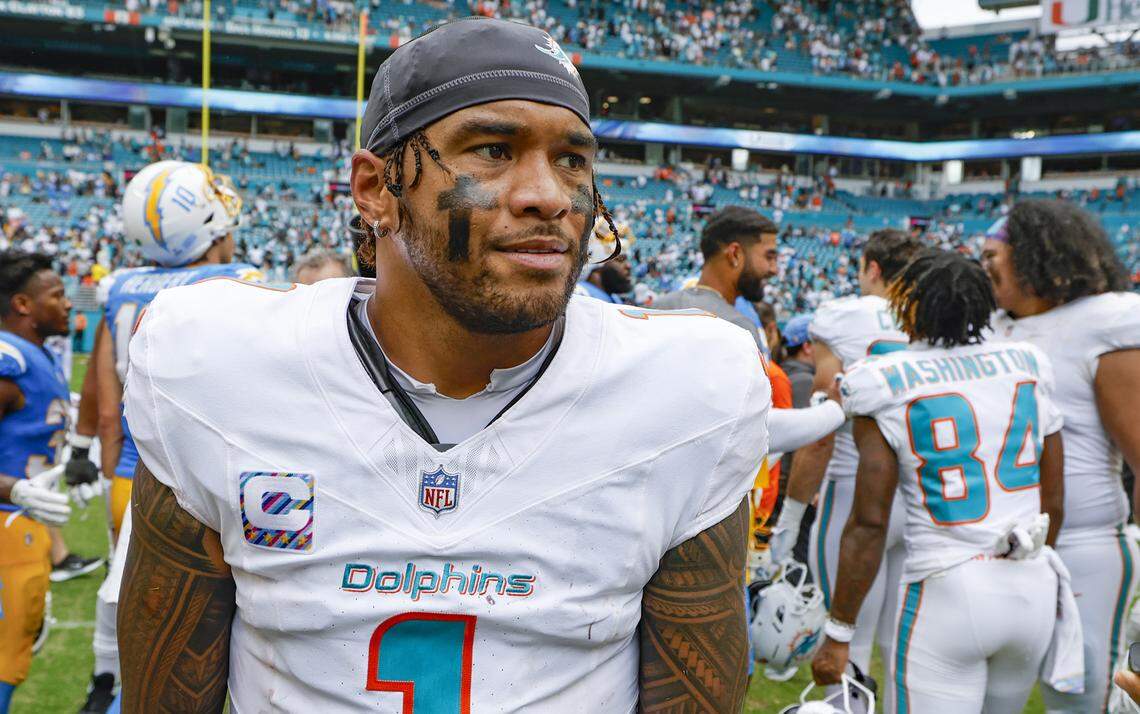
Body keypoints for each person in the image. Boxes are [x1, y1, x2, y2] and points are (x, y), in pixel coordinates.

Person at [116, 18, 770, 712]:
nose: (548, 194)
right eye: (493, 150)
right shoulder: (221, 367)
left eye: (573, 160)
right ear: (375, 189)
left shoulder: (685, 390)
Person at [812, 249, 1068, 713]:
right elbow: (1054, 498)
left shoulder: (882, 379)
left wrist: (839, 632)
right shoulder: (1028, 361)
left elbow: (870, 522)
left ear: (910, 305)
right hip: (1031, 583)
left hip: (947, 588)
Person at [79, 160, 261, 713]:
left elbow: (107, 405)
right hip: (202, 484)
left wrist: (96, 458)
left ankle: (104, 679)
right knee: (191, 633)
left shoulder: (119, 288)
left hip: (132, 473)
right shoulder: (237, 284)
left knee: (133, 605)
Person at [983, 199, 1140, 711]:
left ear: (1035, 258)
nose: (985, 268)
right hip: (998, 545)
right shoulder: (998, 326)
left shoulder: (1107, 320)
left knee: (1079, 695)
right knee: (990, 694)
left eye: (994, 257)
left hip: (1083, 544)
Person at [771, 228, 923, 683]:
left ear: (873, 268)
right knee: (904, 648)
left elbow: (823, 429)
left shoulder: (841, 317)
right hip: (919, 497)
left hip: (853, 493)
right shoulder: (929, 313)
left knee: (845, 643)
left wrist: (792, 515)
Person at [0, 250, 74, 714]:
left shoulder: (36, 356)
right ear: (24, 305)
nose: (67, 304)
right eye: (57, 295)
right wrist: (13, 489)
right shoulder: (11, 359)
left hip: (24, 527)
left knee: (15, 652)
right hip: (7, 526)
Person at [654, 205, 776, 349]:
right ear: (734, 254)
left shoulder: (659, 308)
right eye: (769, 257)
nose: (774, 269)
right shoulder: (738, 328)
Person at [574, 218, 632, 302]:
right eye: (620, 260)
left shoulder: (613, 298)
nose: (628, 266)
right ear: (598, 263)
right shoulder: (580, 295)